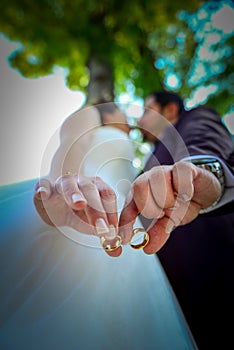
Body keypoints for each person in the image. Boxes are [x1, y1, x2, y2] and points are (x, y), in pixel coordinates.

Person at [0, 102, 198, 350]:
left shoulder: (145, 155)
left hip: (128, 235)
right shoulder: (91, 114)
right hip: (84, 205)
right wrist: (66, 182)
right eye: (124, 114)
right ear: (109, 112)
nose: (129, 121)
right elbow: (73, 142)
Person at [118, 91, 234, 350]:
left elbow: (204, 142)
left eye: (147, 110)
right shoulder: (148, 161)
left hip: (218, 275)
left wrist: (201, 172)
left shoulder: (195, 117)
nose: (141, 120)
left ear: (169, 110)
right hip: (171, 302)